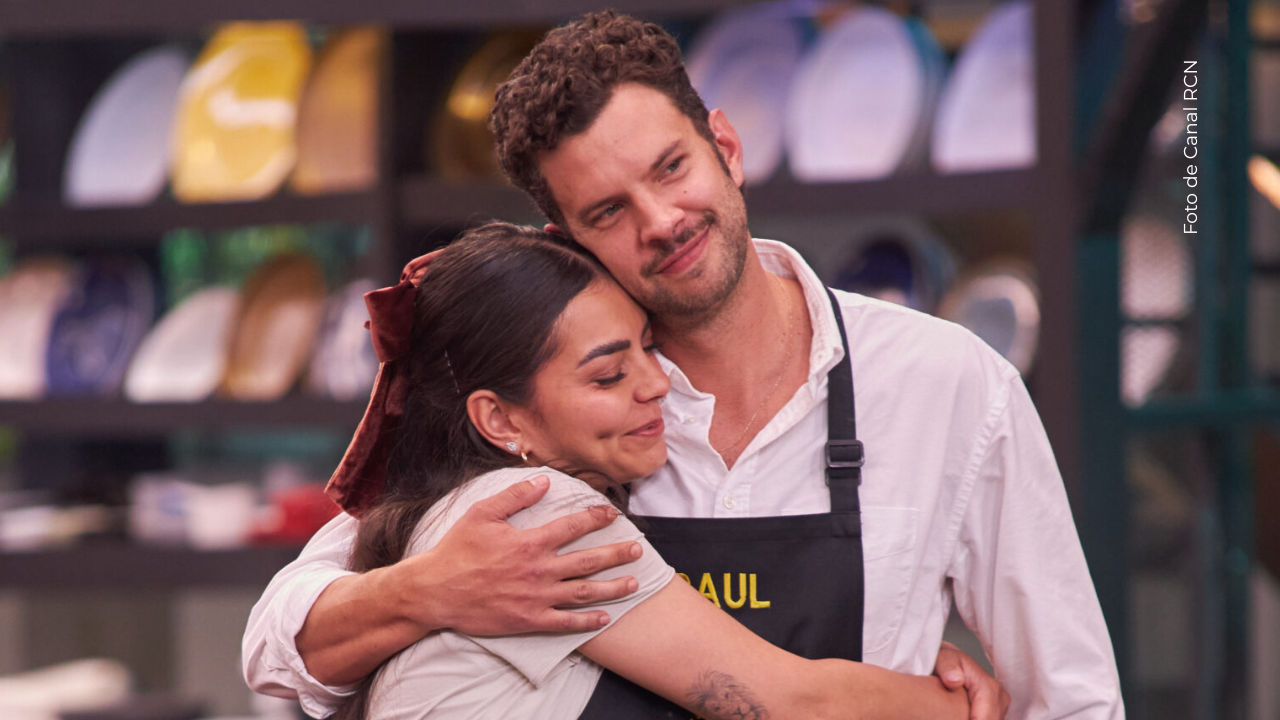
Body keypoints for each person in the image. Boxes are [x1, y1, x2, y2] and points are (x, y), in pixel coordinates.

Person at [245, 11, 1122, 719]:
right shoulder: (559, 414)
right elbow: (280, 642)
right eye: (609, 209)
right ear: (569, 240)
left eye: (673, 168)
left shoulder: (949, 387)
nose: (661, 219)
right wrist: (428, 591)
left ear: (727, 150)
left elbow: (1076, 701)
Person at [322, 221, 969, 720]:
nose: (657, 383)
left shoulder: (439, 510)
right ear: (500, 420)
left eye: (649, 348)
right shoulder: (534, 517)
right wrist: (953, 703)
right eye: (608, 374)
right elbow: (788, 703)